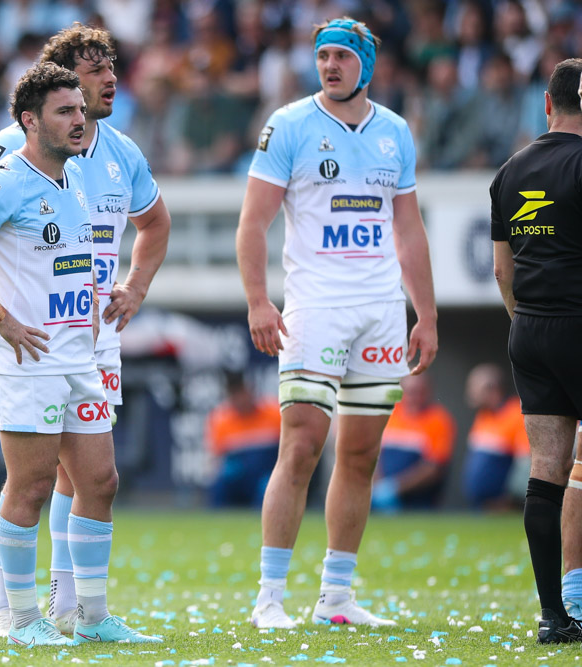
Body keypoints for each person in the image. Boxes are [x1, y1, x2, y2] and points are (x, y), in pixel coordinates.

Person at [0, 23, 170, 637]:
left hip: (89, 343)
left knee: (93, 478)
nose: (109, 79)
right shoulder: (10, 159)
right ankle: (12, 610)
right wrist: (2, 310)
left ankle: (79, 611)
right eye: (93, 71)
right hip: (32, 344)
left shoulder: (109, 157)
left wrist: (132, 288)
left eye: (110, 68)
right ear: (42, 105)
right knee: (36, 479)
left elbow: (147, 227)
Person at [235, 16, 438, 629]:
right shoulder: (290, 125)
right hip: (315, 308)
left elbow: (408, 230)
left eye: (342, 57)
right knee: (300, 445)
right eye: (322, 54)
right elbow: (252, 223)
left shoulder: (396, 132)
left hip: (379, 311)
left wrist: (424, 314)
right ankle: (270, 597)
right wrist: (258, 301)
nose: (330, 64)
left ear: (366, 66)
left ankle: (337, 597)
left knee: (361, 456)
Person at [490, 56, 582, 644]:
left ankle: (556, 614)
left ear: (546, 105)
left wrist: (526, 322)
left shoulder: (510, 171)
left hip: (530, 329)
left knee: (547, 473)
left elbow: (503, 271)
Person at [372, 373, 455, 511]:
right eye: (410, 392)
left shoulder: (439, 420)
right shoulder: (391, 413)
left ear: (429, 391)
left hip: (419, 501)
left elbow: (434, 467)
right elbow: (375, 451)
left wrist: (396, 487)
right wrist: (378, 484)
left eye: (420, 391)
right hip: (382, 498)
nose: (415, 397)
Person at [204, 372, 281, 507]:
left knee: (269, 487)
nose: (240, 398)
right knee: (221, 483)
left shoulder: (274, 413)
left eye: (242, 392)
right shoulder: (221, 419)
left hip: (266, 473)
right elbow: (216, 459)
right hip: (239, 476)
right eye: (235, 393)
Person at [461, 362, 529, 510]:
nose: (469, 392)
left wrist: (511, 500)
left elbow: (525, 463)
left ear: (491, 388)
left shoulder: (516, 412)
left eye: (473, 387)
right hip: (480, 505)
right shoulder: (483, 415)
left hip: (503, 508)